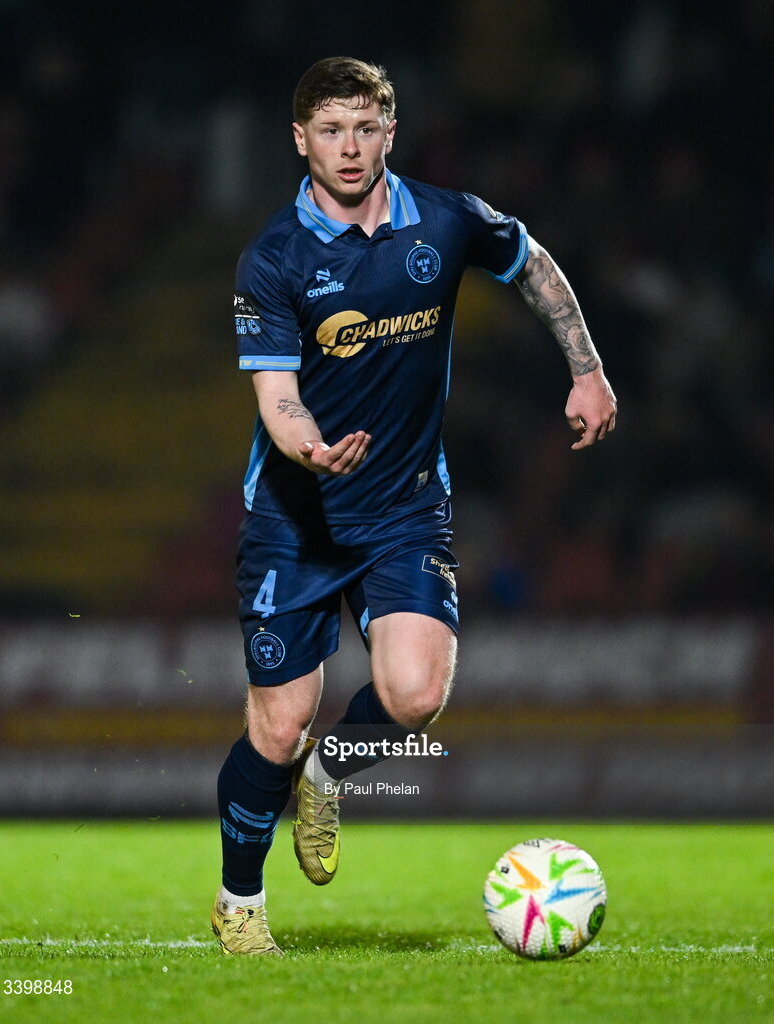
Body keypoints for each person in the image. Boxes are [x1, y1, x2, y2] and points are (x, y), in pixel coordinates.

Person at [212, 56, 617, 956]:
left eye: (365, 128)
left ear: (390, 132)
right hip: (294, 518)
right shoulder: (273, 256)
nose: (349, 148)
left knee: (416, 696)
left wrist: (586, 369)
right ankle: (239, 900)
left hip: (402, 507)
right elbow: (277, 396)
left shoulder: (444, 218)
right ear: (299, 140)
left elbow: (532, 264)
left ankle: (329, 774)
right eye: (330, 130)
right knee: (277, 724)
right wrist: (310, 446)